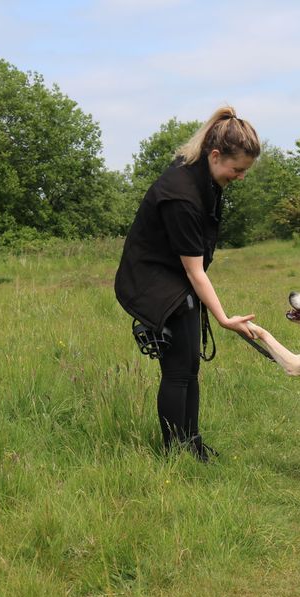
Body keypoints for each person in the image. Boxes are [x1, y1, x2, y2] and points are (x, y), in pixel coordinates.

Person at [114, 106, 261, 461]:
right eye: (236, 169)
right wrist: (225, 319)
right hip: (151, 278)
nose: (240, 177)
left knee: (190, 367)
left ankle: (192, 446)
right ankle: (173, 453)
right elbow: (196, 272)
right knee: (178, 371)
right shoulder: (181, 194)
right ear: (214, 155)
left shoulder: (203, 175)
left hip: (174, 273)